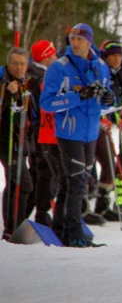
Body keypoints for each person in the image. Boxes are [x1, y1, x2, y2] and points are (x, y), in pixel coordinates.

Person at [40, 23, 115, 247]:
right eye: (72, 38)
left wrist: (109, 100)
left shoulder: (100, 65)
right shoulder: (59, 67)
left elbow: (103, 101)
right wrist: (77, 96)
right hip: (68, 133)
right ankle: (75, 233)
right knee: (77, 182)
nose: (75, 43)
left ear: (89, 41)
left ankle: (60, 229)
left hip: (91, 133)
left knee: (70, 183)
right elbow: (47, 103)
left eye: (80, 39)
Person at [0, 48, 37, 240]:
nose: (19, 67)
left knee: (20, 183)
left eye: (23, 63)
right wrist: (6, 92)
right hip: (5, 141)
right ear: (8, 64)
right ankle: (12, 227)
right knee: (22, 183)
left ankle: (16, 225)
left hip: (21, 140)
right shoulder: (3, 80)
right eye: (15, 63)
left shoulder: (27, 81)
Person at [92, 40, 122, 220]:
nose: (117, 59)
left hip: (104, 124)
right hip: (92, 124)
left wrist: (116, 117)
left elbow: (112, 100)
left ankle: (102, 205)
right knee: (87, 167)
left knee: (110, 165)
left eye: (120, 55)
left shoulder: (118, 73)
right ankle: (82, 208)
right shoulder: (99, 69)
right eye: (113, 55)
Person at [26, 40, 59, 227]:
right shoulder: (43, 77)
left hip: (32, 132)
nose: (56, 58)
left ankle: (25, 215)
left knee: (37, 173)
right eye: (53, 54)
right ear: (46, 56)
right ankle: (41, 213)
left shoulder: (29, 73)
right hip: (43, 132)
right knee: (45, 173)